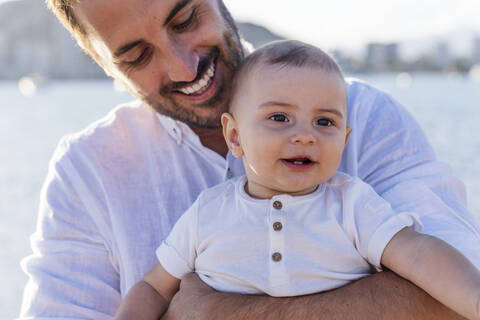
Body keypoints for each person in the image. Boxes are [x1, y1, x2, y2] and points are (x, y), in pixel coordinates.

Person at [19, 0, 480, 319]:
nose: (184, 67)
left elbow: (456, 284)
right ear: (105, 66)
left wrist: (217, 314)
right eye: (137, 56)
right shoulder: (86, 174)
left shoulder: (365, 120)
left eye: (184, 19)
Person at [113, 40, 480, 320]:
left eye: (325, 122)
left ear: (345, 140)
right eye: (279, 117)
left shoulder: (352, 204)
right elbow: (154, 288)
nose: (306, 135)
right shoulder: (208, 212)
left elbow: (417, 254)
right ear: (236, 136)